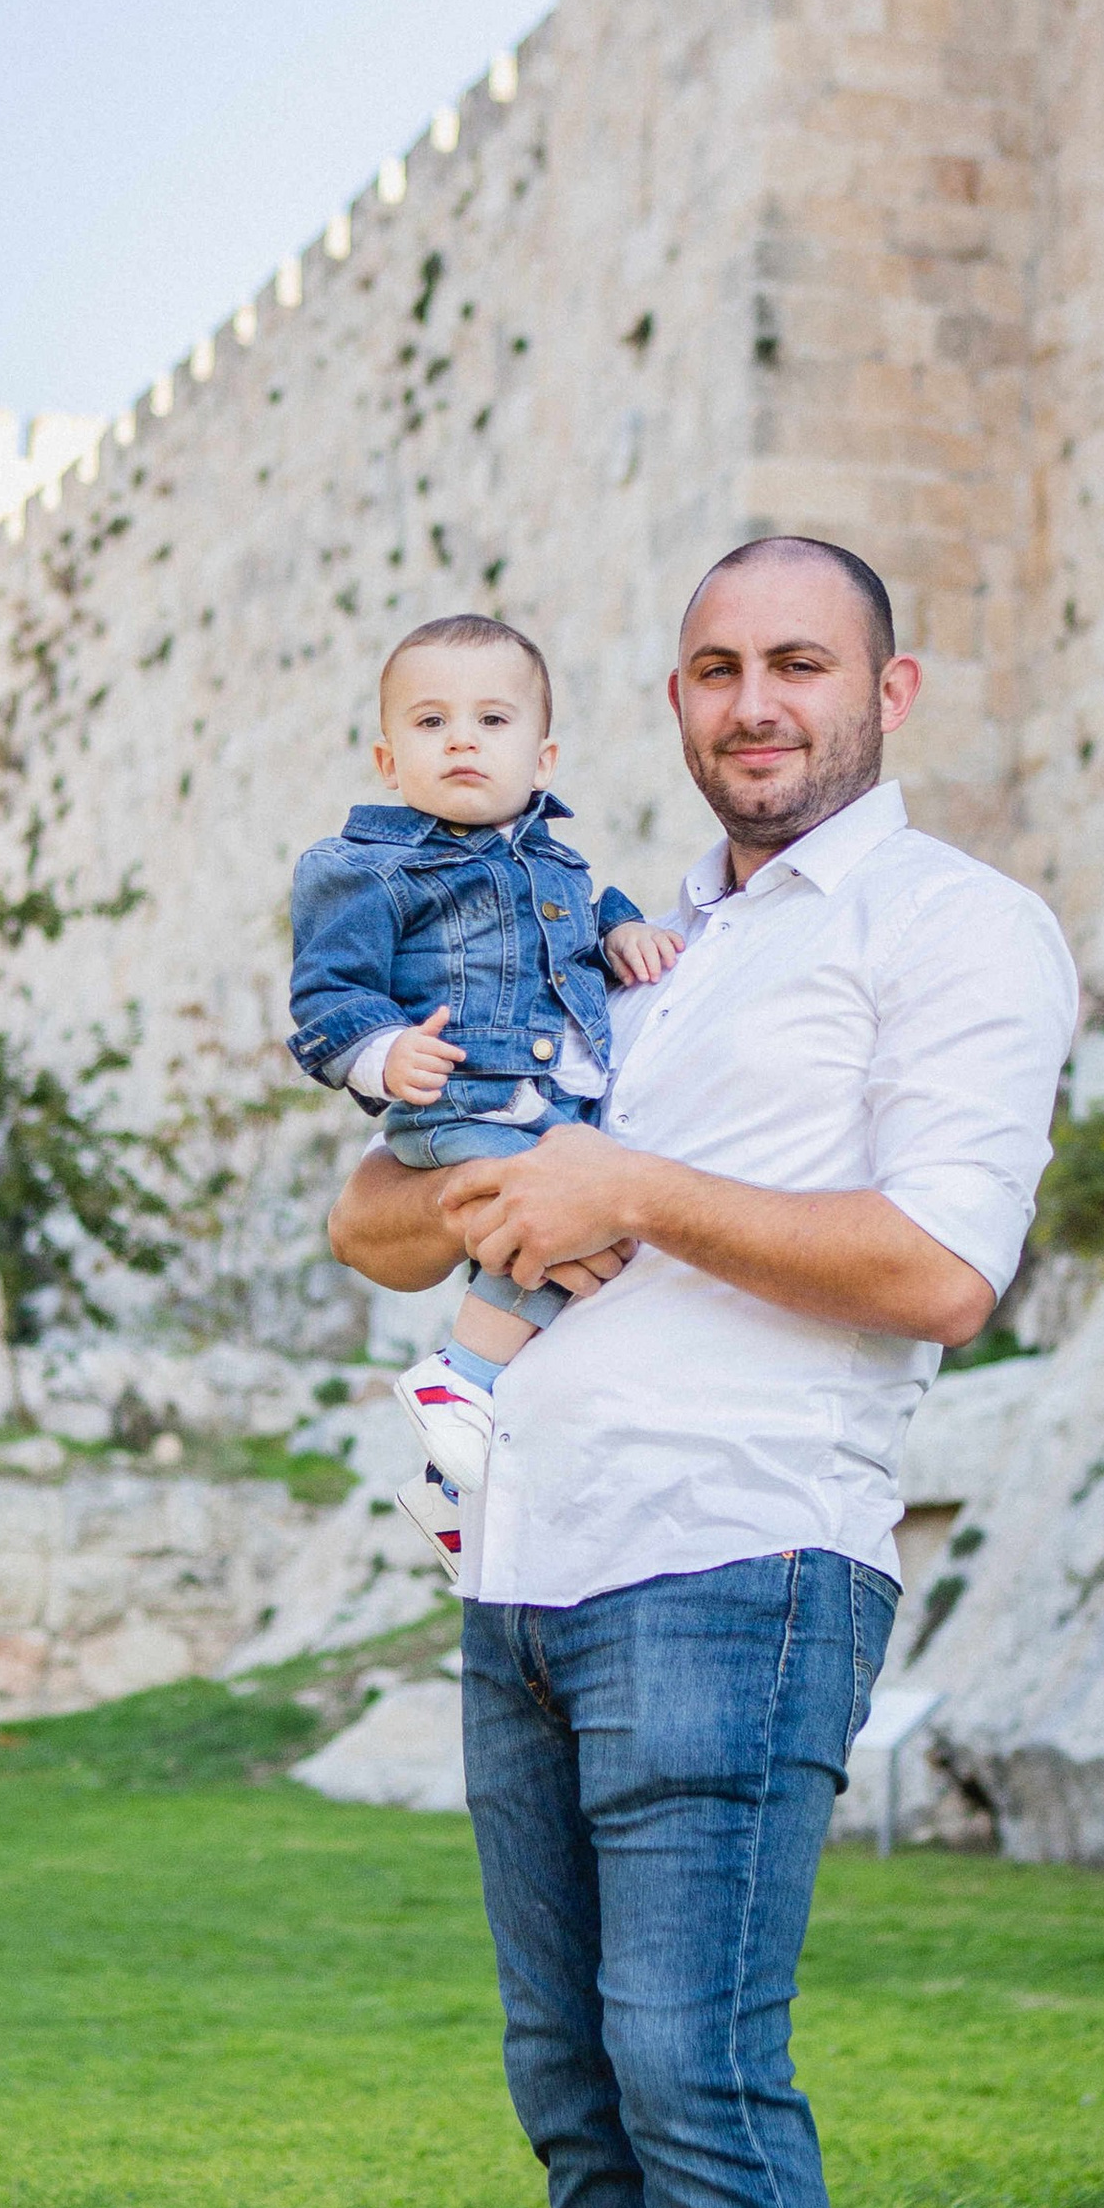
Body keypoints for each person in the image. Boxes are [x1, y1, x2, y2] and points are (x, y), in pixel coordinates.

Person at [328, 533, 1079, 2208]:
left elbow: (936, 1263)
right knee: (576, 2098)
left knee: (694, 2076)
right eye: (712, 669)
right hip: (529, 1563)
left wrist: (625, 1187)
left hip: (739, 1563)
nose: (753, 702)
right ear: (663, 701)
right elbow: (380, 1219)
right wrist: (489, 1157)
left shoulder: (949, 934)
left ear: (889, 688)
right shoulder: (604, 938)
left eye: (798, 666)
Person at [287, 613, 679, 1574]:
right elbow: (326, 996)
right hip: (460, 1105)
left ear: (542, 758)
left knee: (576, 1248)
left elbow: (579, 926)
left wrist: (624, 928)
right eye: (430, 723)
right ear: (388, 759)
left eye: (492, 721)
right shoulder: (367, 869)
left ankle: (449, 1486)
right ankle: (456, 1380)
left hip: (541, 1108)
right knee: (550, 1220)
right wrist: (381, 1057)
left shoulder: (552, 860)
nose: (462, 739)